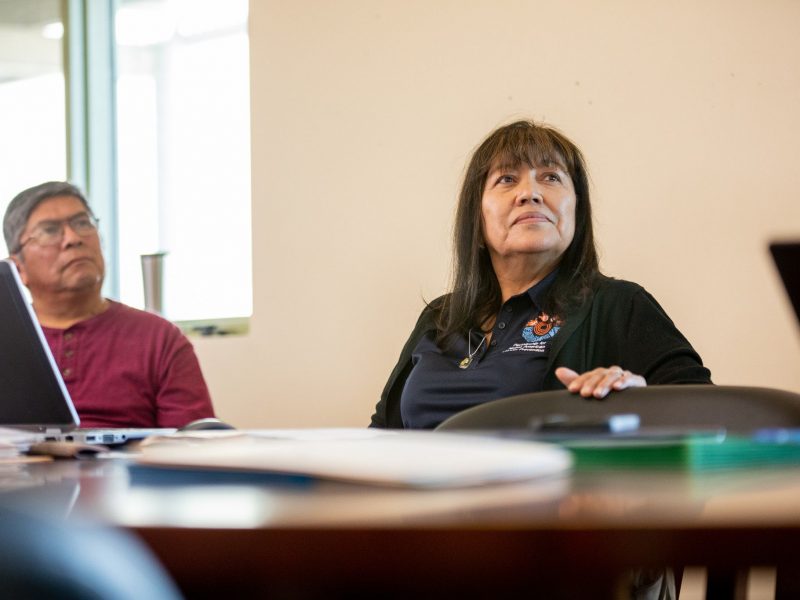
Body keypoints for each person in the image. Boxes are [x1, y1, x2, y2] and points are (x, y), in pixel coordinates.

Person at [371, 120, 712, 430]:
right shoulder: (439, 316)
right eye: (506, 179)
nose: (529, 193)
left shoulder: (619, 305)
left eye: (551, 177)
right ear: (476, 219)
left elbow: (708, 415)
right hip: (422, 496)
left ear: (577, 210)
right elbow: (380, 437)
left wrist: (643, 399)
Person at [3, 181, 215, 428]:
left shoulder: (160, 339)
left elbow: (193, 447)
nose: (73, 238)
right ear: (18, 268)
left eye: (83, 223)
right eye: (50, 231)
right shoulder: (7, 341)